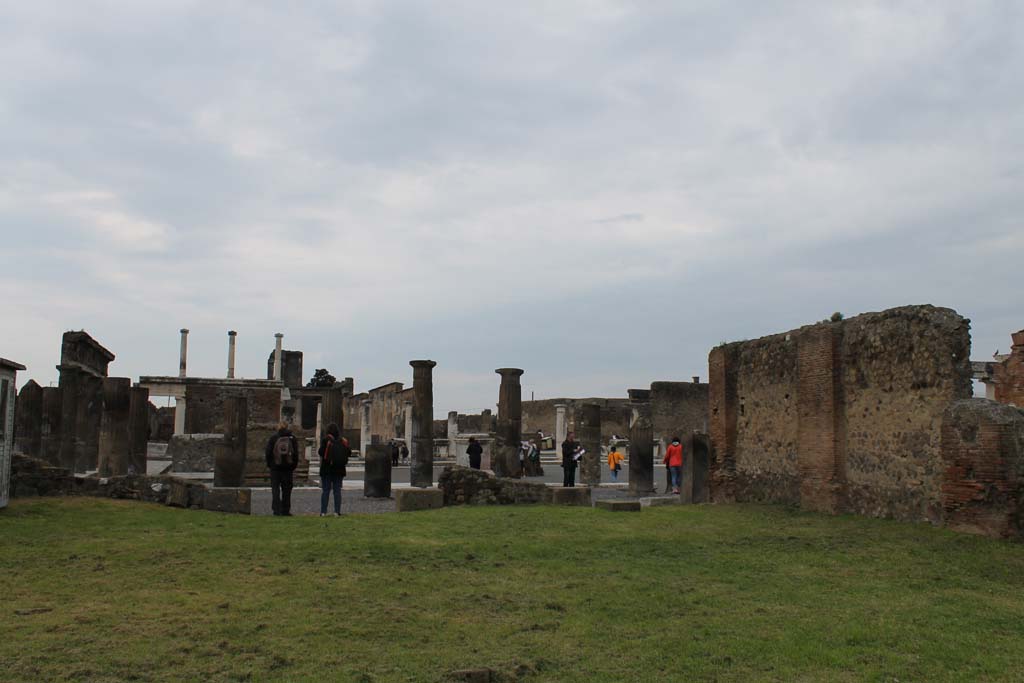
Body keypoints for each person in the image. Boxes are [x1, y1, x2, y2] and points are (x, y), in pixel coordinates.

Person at [265, 421, 300, 516]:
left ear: (278, 427)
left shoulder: (273, 438)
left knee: (275, 489)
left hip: (275, 468)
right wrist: (293, 466)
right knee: (287, 490)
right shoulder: (292, 438)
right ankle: (285, 510)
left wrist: (270, 465)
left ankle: (276, 509)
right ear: (287, 427)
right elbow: (296, 454)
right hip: (288, 468)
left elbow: (268, 453)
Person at [318, 423, 350, 516]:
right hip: (339, 469)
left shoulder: (326, 440)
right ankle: (337, 511)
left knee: (326, 490)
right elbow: (349, 452)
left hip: (327, 469)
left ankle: (323, 512)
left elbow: (320, 452)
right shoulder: (342, 441)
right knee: (337, 491)